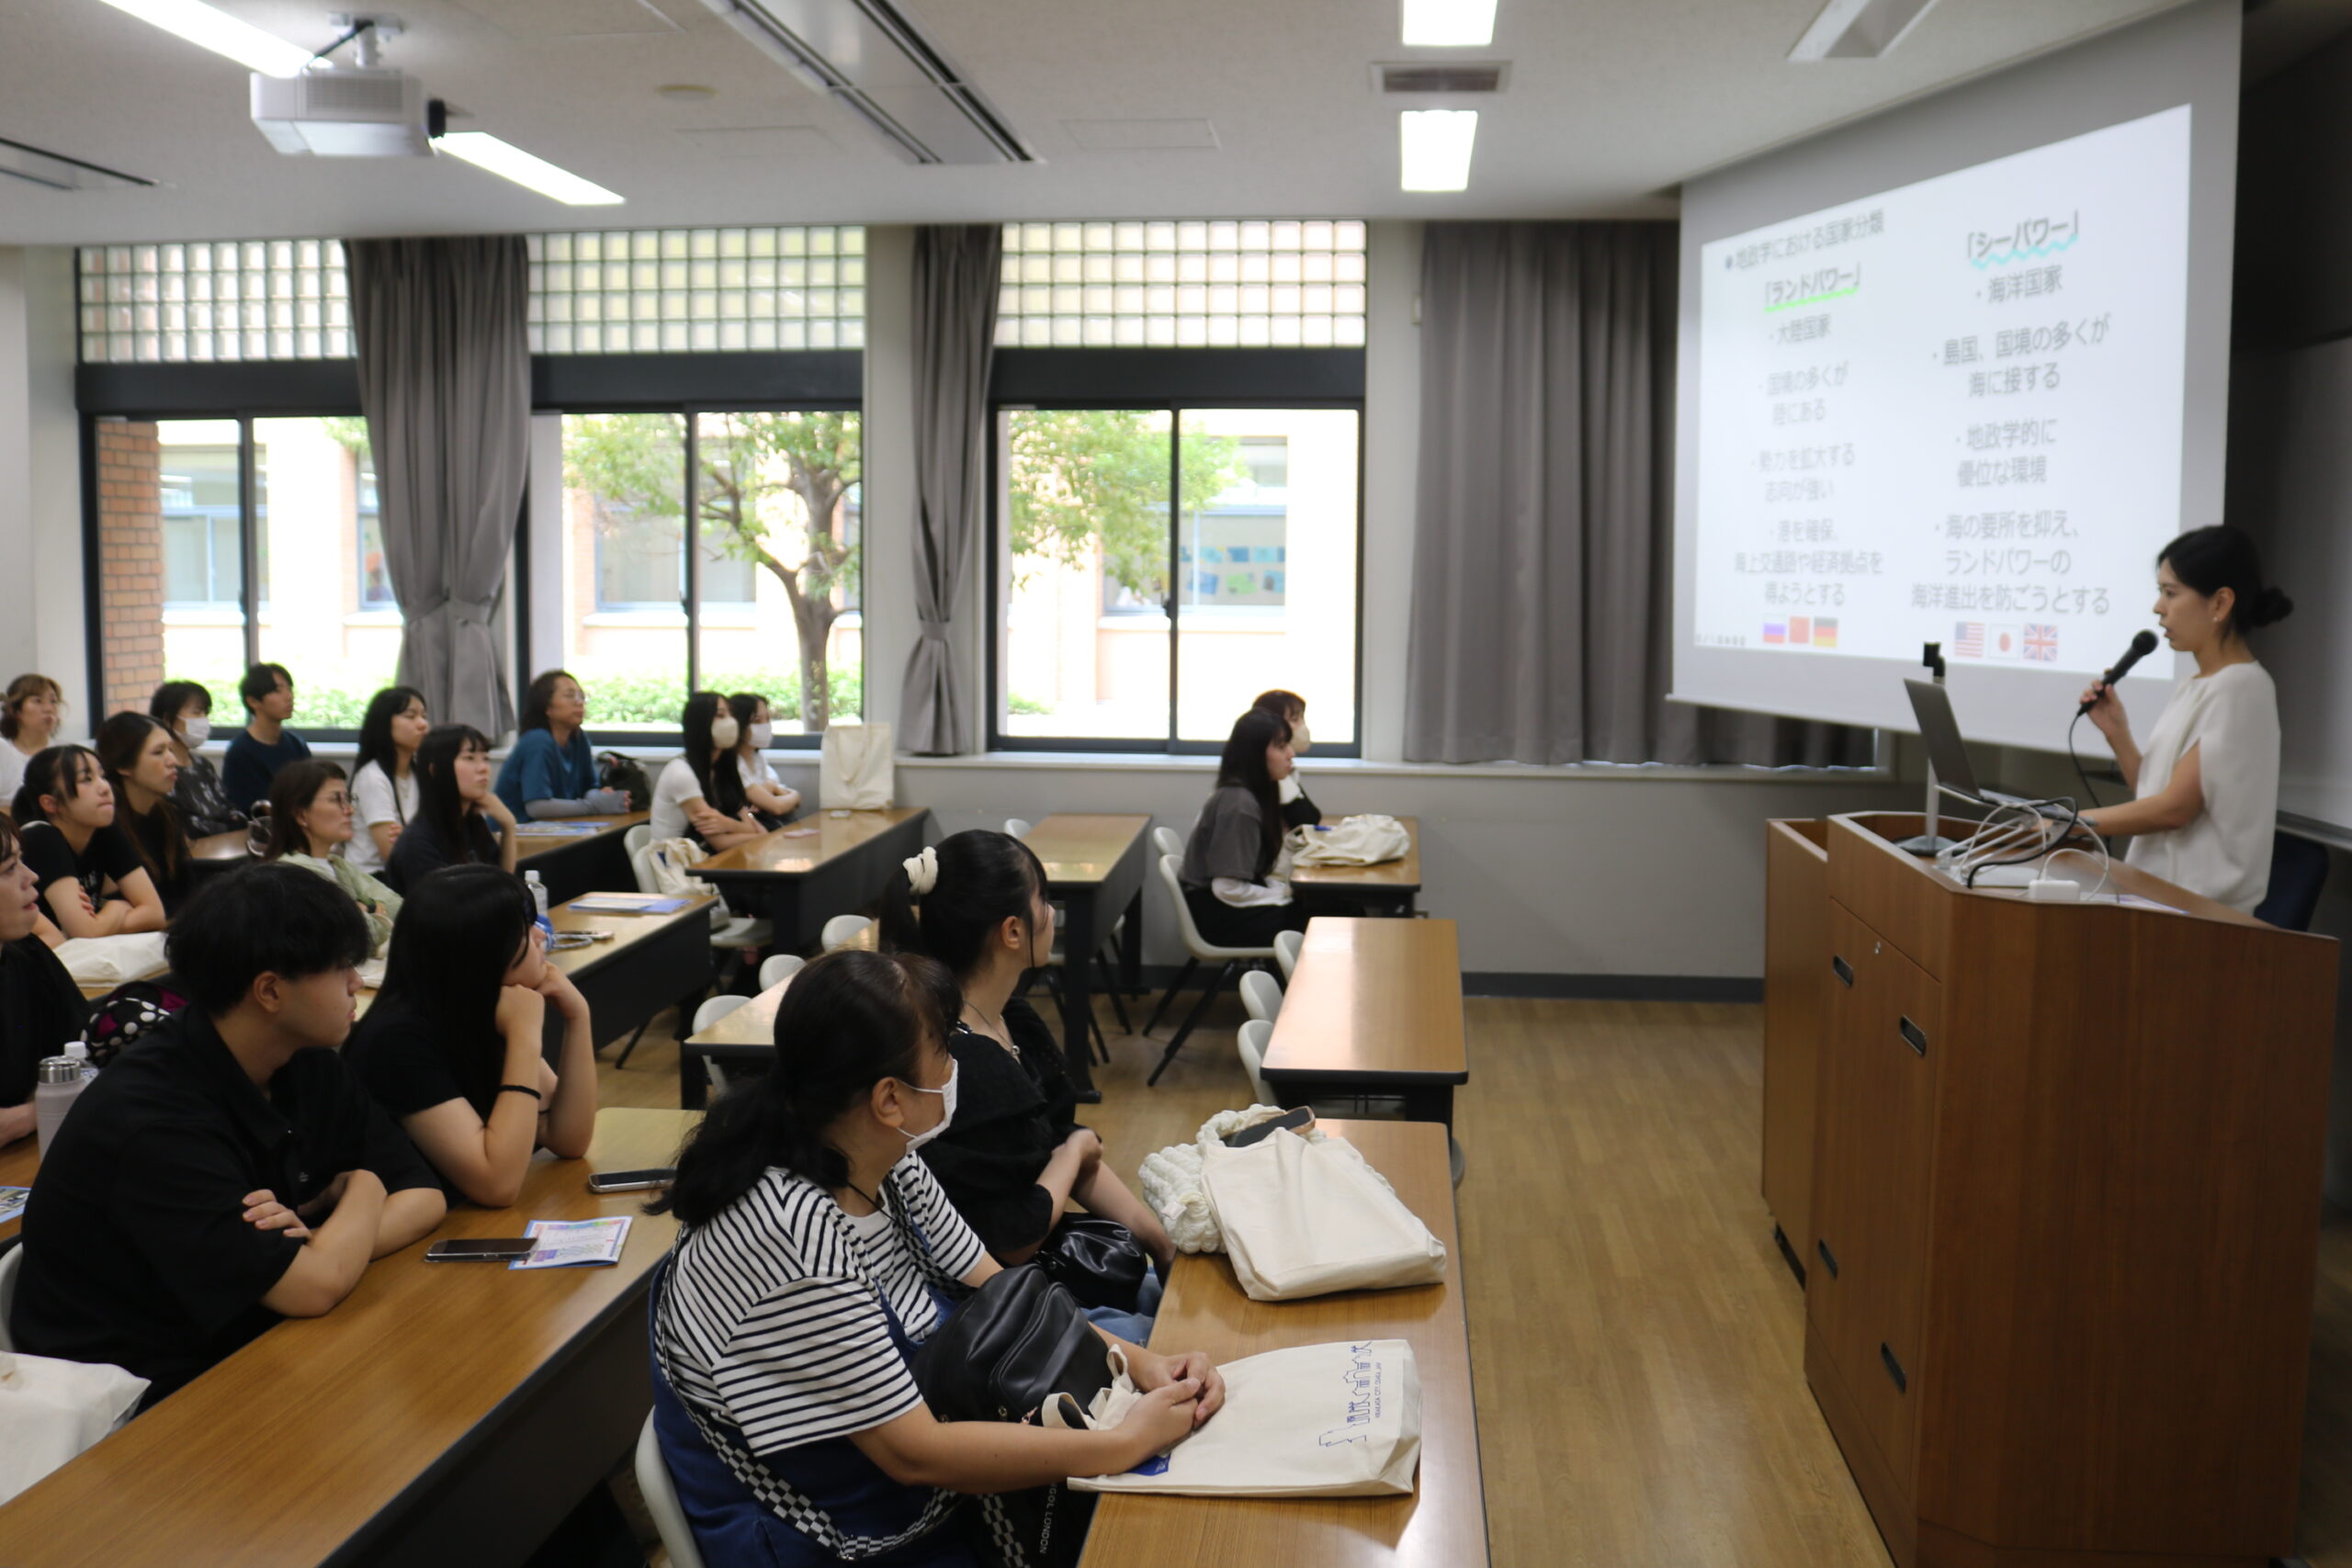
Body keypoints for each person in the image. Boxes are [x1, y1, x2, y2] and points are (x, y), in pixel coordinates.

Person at [647, 948, 1224, 1568]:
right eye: (945, 1052)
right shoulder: (791, 1239)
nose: (957, 1067)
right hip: (830, 1530)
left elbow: (1002, 1290)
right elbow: (914, 1452)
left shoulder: (879, 1157)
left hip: (900, 1459)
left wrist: (1145, 1364)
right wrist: (1120, 1441)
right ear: (888, 1098)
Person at [7, 864, 446, 1409]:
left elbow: (424, 1197)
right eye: (341, 969)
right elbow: (313, 1287)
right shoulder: (152, 1118)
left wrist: (329, 1246)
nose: (357, 982)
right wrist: (364, 1188)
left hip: (242, 1342)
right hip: (130, 1404)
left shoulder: (303, 1058)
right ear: (269, 991)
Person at [877, 832, 1175, 1299]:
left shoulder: (1012, 1017)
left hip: (1046, 1263)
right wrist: (1073, 1151)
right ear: (1013, 931)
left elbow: (1061, 1140)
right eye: (1044, 899)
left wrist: (1161, 1244)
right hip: (1002, 1297)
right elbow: (1013, 1240)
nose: (1053, 914)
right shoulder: (962, 1060)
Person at [346, 863, 597, 1207]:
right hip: (415, 1246)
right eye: (524, 930)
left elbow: (568, 1139)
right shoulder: (397, 1041)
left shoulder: (479, 1009)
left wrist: (578, 1016)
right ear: (482, 952)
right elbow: (496, 1185)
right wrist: (524, 1037)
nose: (540, 937)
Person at [2079, 525, 2295, 914]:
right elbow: (2156, 793)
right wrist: (2118, 734)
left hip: (2196, 917)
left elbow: (2173, 810)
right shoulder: (2198, 684)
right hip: (2158, 899)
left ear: (2220, 603)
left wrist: (2067, 822)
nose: (2158, 607)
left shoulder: (2241, 686)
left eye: (2170, 592)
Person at [1179, 707, 1310, 946]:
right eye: (1281, 747)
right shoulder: (1239, 804)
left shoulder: (1255, 793)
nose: (1291, 754)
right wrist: (1284, 894)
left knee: (1324, 910)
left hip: (1227, 906)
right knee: (1323, 923)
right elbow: (1228, 888)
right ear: (1255, 755)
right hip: (1220, 915)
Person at [9, 746, 167, 941]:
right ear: (50, 803)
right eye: (87, 779)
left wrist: (101, 923)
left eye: (102, 776)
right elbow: (85, 932)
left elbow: (155, 913)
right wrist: (117, 908)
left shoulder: (102, 827)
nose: (104, 787)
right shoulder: (40, 838)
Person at [0, 813, 90, 1146]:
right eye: (9, 869)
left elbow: (83, 1055)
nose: (31, 876)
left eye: (21, 861)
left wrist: (28, 1115)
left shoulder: (28, 955)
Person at [260, 761, 402, 954]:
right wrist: (370, 913)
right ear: (301, 814)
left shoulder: (337, 865)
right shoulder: (292, 873)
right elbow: (357, 938)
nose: (350, 809)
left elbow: (400, 909)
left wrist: (365, 908)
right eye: (337, 800)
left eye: (349, 799)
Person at [385, 725, 519, 892]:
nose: (483, 768)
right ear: (435, 770)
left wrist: (508, 825)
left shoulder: (471, 823)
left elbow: (504, 882)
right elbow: (443, 912)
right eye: (469, 758)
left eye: (485, 758)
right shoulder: (418, 842)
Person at [94, 712, 196, 916]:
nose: (173, 760)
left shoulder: (168, 814)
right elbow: (120, 910)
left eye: (171, 750)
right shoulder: (106, 826)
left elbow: (185, 892)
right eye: (159, 752)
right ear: (123, 766)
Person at [495, 670, 630, 820]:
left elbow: (590, 787)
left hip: (559, 828)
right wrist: (593, 805)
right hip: (515, 832)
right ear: (547, 707)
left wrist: (600, 797)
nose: (579, 702)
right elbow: (537, 808)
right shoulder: (538, 741)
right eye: (570, 695)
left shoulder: (579, 738)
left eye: (581, 696)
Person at [650, 693, 766, 852]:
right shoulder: (681, 773)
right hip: (678, 865)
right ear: (700, 723)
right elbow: (720, 843)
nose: (731, 721)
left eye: (731, 714)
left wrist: (727, 824)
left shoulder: (722, 769)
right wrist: (755, 834)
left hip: (710, 859)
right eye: (720, 715)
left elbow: (751, 827)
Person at [348, 685, 429, 877]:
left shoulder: (419, 773)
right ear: (384, 723)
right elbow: (392, 855)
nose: (423, 724)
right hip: (375, 879)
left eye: (424, 716)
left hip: (411, 872)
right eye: (410, 716)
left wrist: (411, 838)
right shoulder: (372, 778)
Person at [151, 680, 245, 840]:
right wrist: (226, 827)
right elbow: (186, 825)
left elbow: (229, 807)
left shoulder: (203, 764)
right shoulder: (162, 770)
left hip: (226, 846)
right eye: (196, 712)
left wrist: (235, 821)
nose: (204, 719)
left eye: (206, 713)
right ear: (167, 719)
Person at [220, 662, 311, 813]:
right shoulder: (240, 752)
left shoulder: (297, 744)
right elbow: (250, 810)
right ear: (253, 701)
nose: (289, 696)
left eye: (289, 689)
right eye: (278, 690)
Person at [1250, 688, 1323, 829]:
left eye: (1303, 718)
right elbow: (1304, 822)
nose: (1302, 726)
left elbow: (1313, 815)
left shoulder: (1286, 769)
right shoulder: (1269, 772)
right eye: (1295, 719)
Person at [729, 691, 802, 825]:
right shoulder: (732, 762)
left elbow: (778, 792)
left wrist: (773, 789)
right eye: (757, 721)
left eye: (767, 719)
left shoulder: (757, 757)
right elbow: (777, 807)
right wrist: (795, 795)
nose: (765, 726)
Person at [0, 673, 66, 807]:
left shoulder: (66, 753)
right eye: (38, 701)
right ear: (16, 710)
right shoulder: (3, 752)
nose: (49, 709)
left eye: (53, 701)